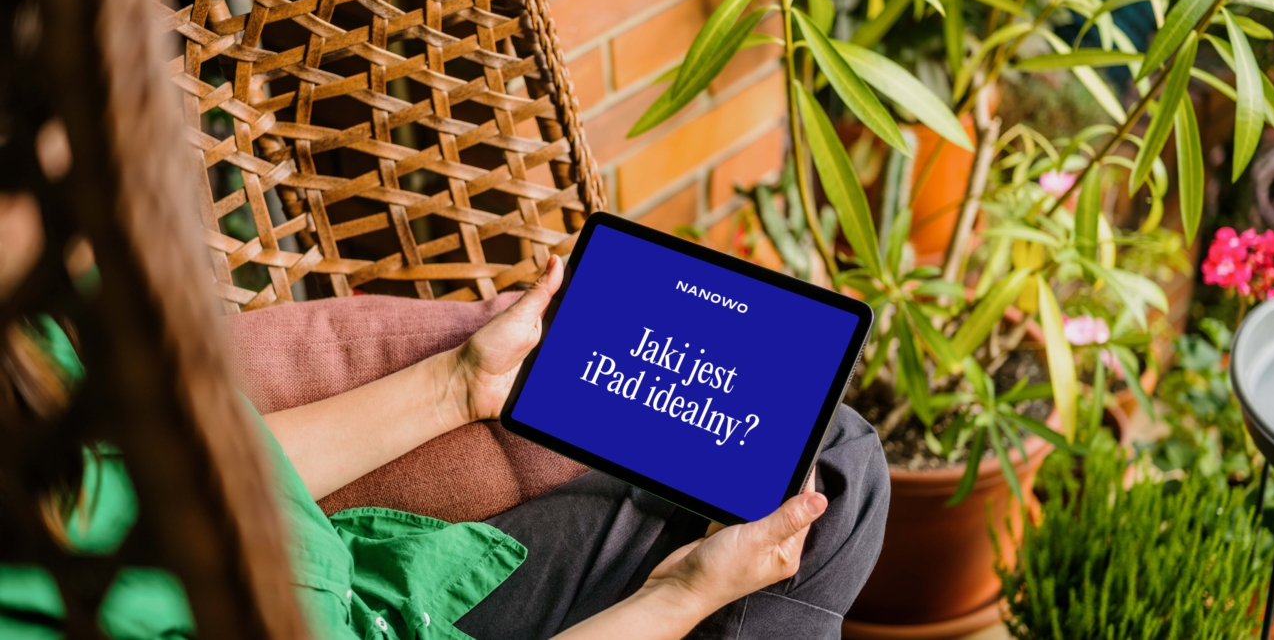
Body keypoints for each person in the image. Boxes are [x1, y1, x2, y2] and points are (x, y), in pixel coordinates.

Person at [0, 186, 891, 640]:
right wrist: (678, 599)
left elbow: (187, 479)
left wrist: (457, 385)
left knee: (827, 456)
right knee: (780, 533)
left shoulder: (35, 340)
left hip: (387, 586)